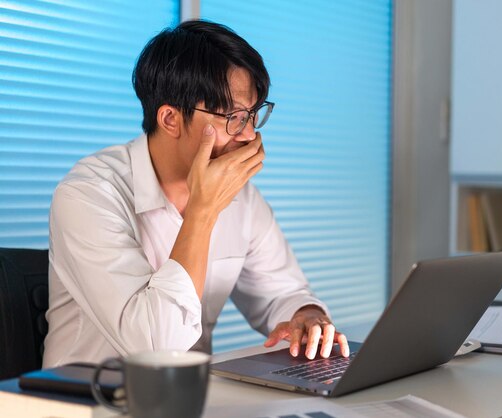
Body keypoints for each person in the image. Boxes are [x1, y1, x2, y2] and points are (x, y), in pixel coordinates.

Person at [42, 19, 349, 367]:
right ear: (170, 119)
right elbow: (155, 346)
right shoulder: (88, 196)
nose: (249, 135)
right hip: (88, 401)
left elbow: (283, 293)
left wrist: (306, 317)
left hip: (191, 398)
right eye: (233, 116)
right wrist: (202, 212)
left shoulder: (242, 200)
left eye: (252, 115)